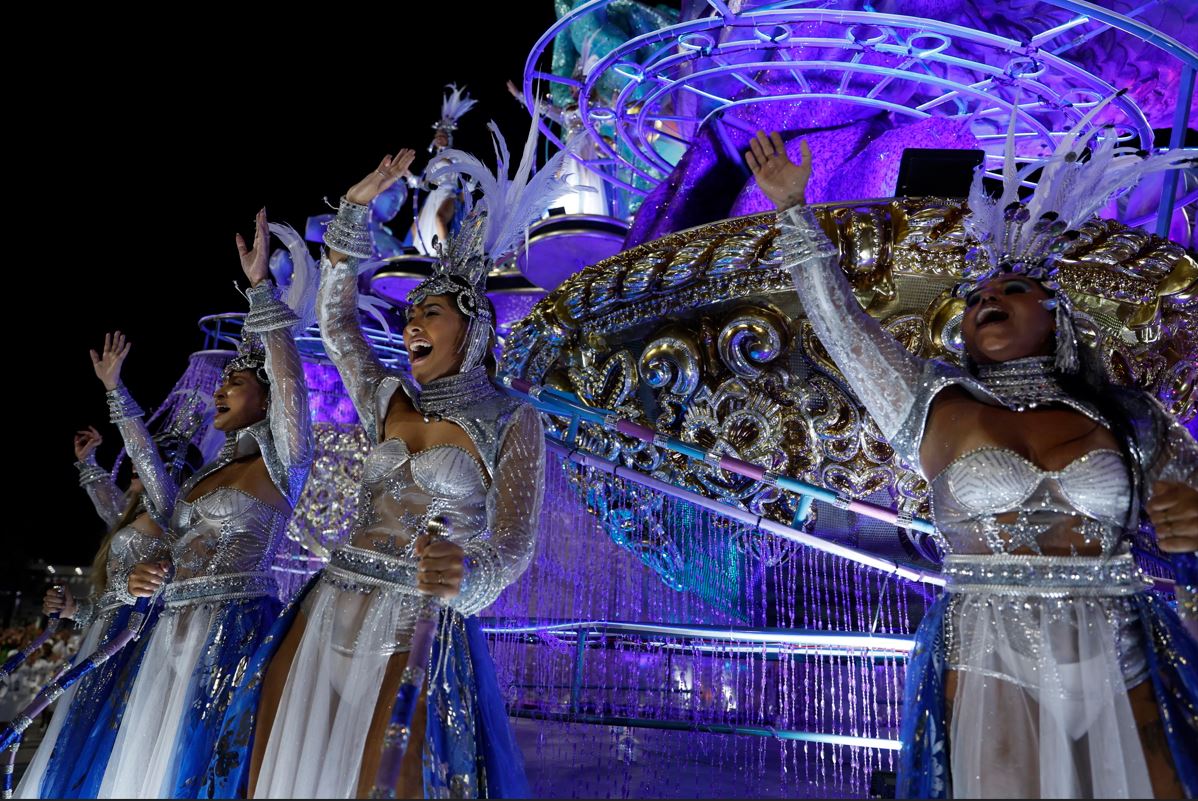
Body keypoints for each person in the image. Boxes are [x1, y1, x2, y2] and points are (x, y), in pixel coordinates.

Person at [747, 118, 1197, 798]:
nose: (988, 301)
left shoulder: (1127, 416)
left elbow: (1188, 522)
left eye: (1011, 291)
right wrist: (791, 207)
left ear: (1058, 316)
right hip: (990, 649)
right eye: (979, 297)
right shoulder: (932, 406)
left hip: (1119, 643)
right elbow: (841, 325)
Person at [208, 115, 575, 799]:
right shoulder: (387, 400)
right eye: (410, 312)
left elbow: (514, 545)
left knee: (387, 781)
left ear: (475, 326)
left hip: (417, 623)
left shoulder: (511, 418)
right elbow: (338, 323)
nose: (411, 322)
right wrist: (351, 215)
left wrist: (469, 570)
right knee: (269, 772)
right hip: (332, 600)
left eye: (429, 311)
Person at [96, 210, 313, 799]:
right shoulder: (201, 480)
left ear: (266, 399)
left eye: (234, 383)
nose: (218, 389)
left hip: (233, 630)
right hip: (169, 630)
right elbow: (147, 476)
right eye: (221, 383)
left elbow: (291, 383)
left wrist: (263, 291)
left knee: (206, 770)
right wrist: (117, 393)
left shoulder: (282, 463)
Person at [16, 416, 201, 798]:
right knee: (80, 739)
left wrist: (115, 391)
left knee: (108, 744)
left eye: (148, 461)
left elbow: (161, 595)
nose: (137, 464)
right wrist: (74, 609)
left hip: (136, 649)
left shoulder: (176, 524)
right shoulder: (135, 517)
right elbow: (108, 602)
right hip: (106, 640)